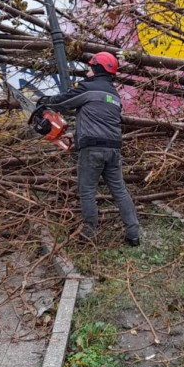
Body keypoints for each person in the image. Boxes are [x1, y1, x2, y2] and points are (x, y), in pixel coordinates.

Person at [36, 52, 140, 246]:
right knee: (119, 190)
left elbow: (63, 102)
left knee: (87, 190)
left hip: (92, 150)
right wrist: (75, 136)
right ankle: (133, 234)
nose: (88, 70)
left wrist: (43, 101)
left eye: (91, 67)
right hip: (113, 149)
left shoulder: (88, 88)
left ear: (98, 68)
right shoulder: (114, 95)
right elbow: (100, 122)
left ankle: (89, 233)